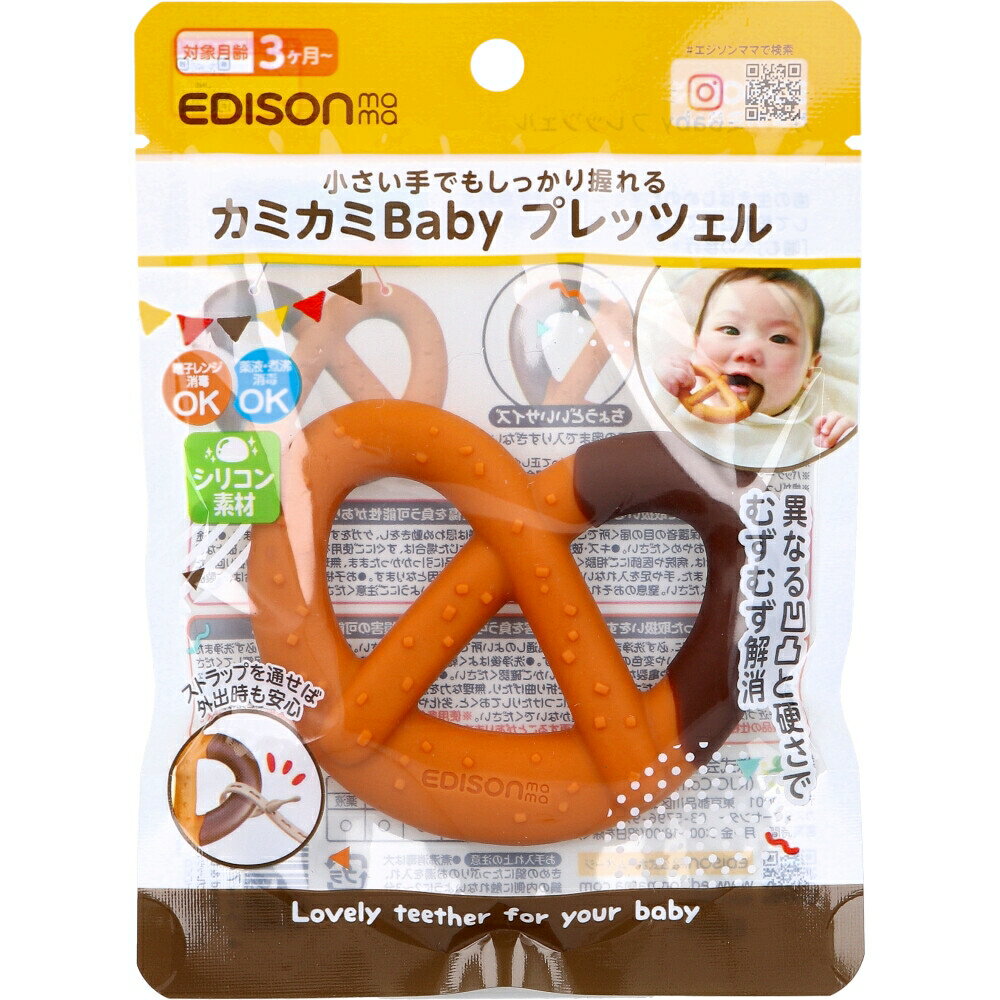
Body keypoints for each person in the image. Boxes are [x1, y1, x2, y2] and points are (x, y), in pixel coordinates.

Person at [655, 268, 855, 449]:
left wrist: (844, 441)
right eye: (731, 330)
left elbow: (835, 470)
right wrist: (660, 382)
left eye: (779, 338)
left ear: (809, 371)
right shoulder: (669, 403)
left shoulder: (811, 439)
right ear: (696, 343)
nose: (748, 351)